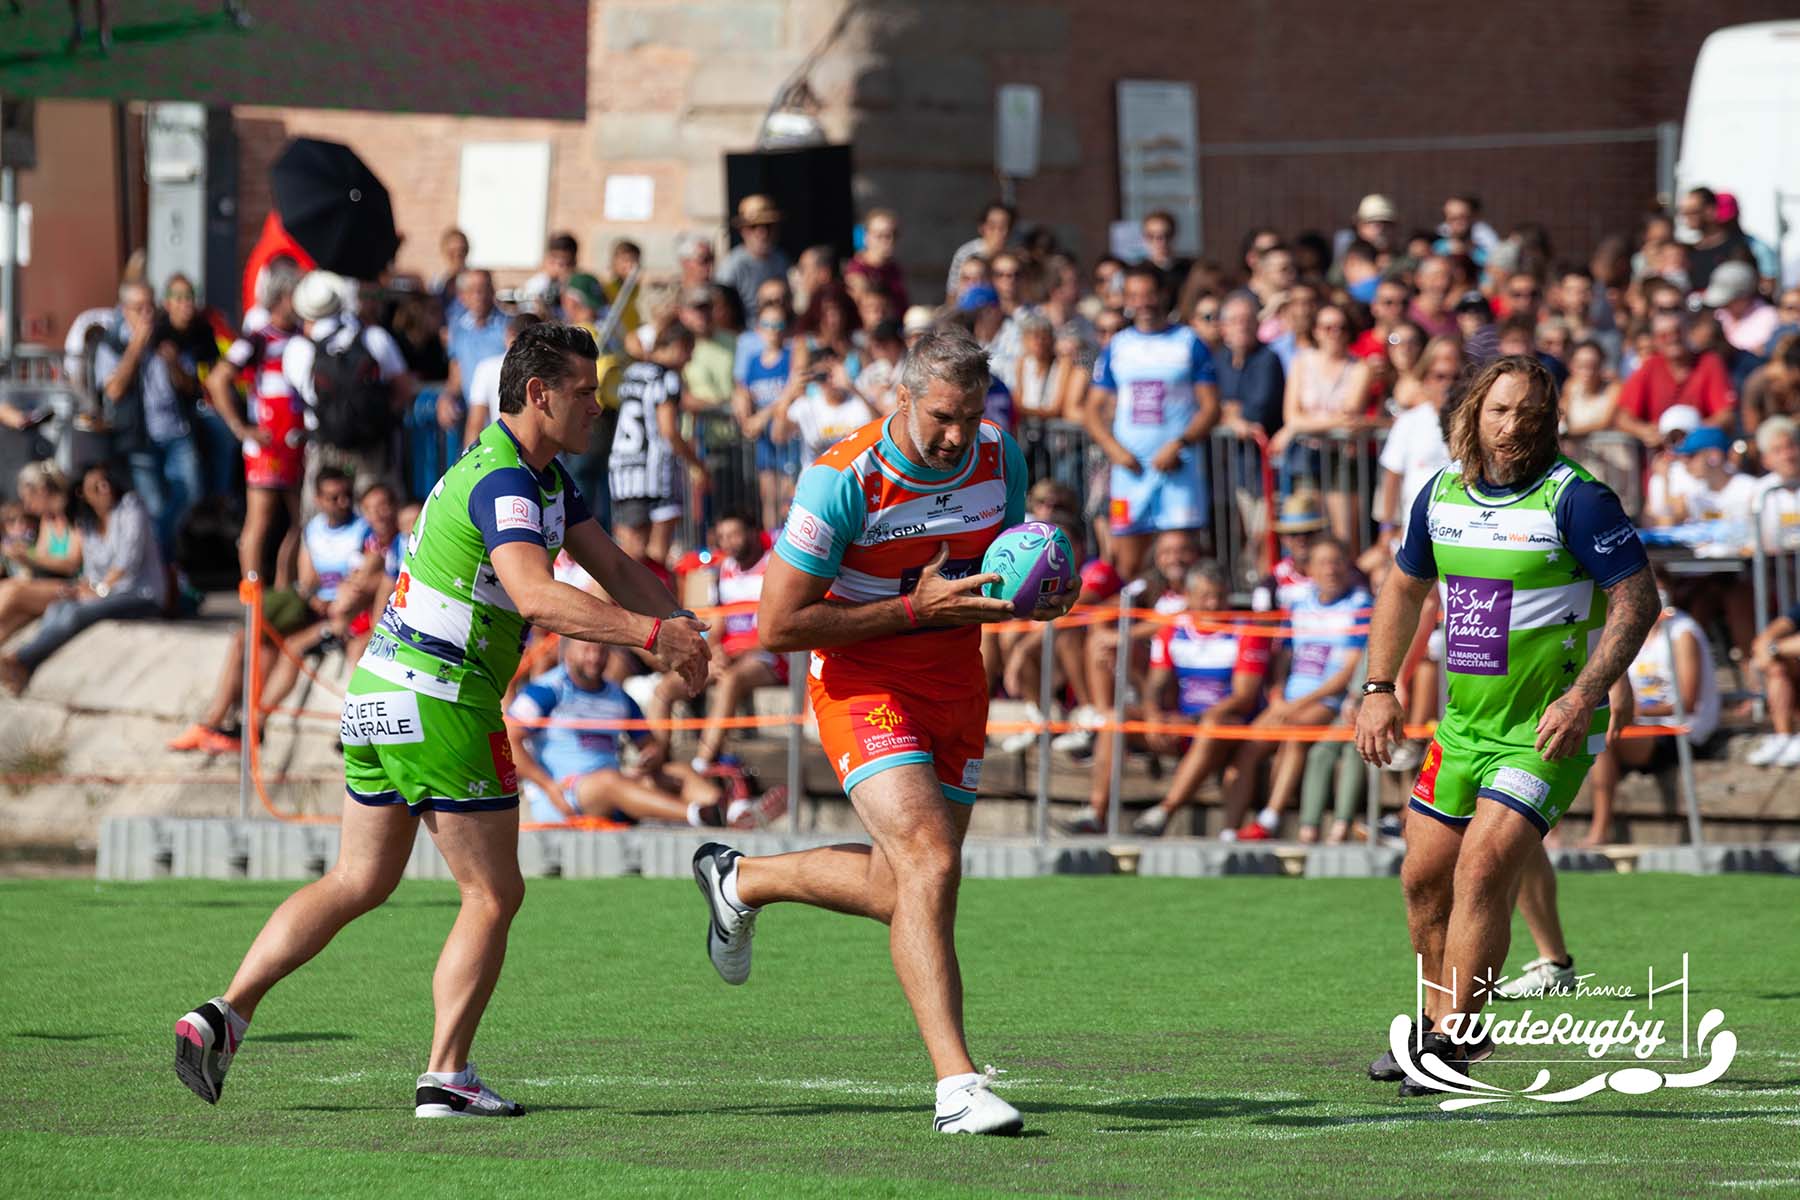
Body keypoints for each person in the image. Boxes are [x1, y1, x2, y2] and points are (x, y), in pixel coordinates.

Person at [169, 322, 710, 1118]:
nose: (598, 406)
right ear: (539, 395)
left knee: (359, 879)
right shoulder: (505, 484)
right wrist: (652, 635)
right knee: (492, 894)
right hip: (443, 698)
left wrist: (682, 632)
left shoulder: (544, 479)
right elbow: (534, 594)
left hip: (381, 689)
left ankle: (223, 1014)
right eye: (586, 392)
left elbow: (618, 566)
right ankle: (446, 1075)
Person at [690, 328, 1072, 1136]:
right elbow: (777, 625)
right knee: (930, 859)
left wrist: (1031, 597)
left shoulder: (1001, 457)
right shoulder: (840, 479)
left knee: (913, 887)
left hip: (957, 687)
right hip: (862, 681)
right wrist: (908, 611)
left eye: (971, 415)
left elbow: (997, 571)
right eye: (941, 415)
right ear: (900, 396)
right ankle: (957, 1086)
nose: (957, 435)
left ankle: (741, 881)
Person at [1357, 355, 1657, 1096]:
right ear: (1473, 415)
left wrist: (1587, 692)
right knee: (1423, 880)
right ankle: (1438, 1026)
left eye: (1528, 411)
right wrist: (1378, 686)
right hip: (1463, 727)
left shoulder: (1578, 501)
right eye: (1499, 410)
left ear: (1551, 419)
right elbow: (1403, 588)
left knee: (1484, 868)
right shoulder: (1441, 495)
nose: (1513, 424)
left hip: (1546, 729)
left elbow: (1638, 601)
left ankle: (1451, 1047)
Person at [166, 468, 376, 755]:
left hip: (346, 614)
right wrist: (315, 598)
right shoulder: (313, 530)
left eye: (346, 496)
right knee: (248, 638)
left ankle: (253, 723)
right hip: (317, 607)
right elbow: (307, 580)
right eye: (333, 497)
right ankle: (215, 720)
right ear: (318, 498)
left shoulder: (363, 530)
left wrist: (337, 602)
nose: (341, 502)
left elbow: (362, 581)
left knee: (288, 647)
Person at [1095, 561, 1273, 837]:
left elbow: (1244, 697)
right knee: (1114, 718)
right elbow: (1156, 684)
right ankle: (1096, 812)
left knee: (1213, 723)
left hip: (1225, 725)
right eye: (1205, 597)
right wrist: (1154, 714)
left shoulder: (1246, 632)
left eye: (1219, 596)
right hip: (1183, 723)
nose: (1213, 604)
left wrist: (1190, 720)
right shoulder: (1174, 630)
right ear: (1189, 598)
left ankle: (1165, 811)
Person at [1218, 537, 1369, 840]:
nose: (1331, 570)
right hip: (1288, 700)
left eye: (1337, 562)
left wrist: (1297, 705)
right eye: (1323, 563)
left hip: (1327, 700)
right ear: (1310, 569)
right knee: (1247, 747)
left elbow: (1347, 672)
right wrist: (1276, 696)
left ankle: (1269, 820)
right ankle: (1228, 832)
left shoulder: (1360, 605)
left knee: (1294, 733)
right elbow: (1282, 660)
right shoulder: (1298, 605)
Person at [508, 640, 742, 828]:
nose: (594, 657)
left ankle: (732, 811)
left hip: (613, 784)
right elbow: (510, 741)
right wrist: (548, 786)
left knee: (676, 772)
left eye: (601, 651)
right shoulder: (545, 691)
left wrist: (651, 756)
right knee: (610, 781)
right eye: (586, 650)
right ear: (567, 652)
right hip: (564, 794)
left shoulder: (618, 696)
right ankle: (697, 814)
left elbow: (650, 746)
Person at [1084, 263, 1219, 581]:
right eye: (1134, 295)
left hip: (1178, 471)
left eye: (1148, 294)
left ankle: (1180, 631)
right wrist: (1114, 451)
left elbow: (1211, 407)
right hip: (1130, 473)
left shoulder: (1189, 341)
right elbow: (1092, 410)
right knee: (1127, 567)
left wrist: (1180, 444)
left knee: (1180, 566)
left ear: (1163, 294)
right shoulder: (1117, 345)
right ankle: (1128, 629)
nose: (1142, 302)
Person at [0, 463, 166, 695]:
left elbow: (128, 561)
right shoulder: (88, 522)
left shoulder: (130, 507)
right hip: (107, 593)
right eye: (95, 486)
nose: (104, 488)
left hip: (140, 595)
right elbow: (91, 571)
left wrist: (98, 589)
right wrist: (85, 587)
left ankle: (21, 660)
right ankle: (26, 663)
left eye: (105, 482)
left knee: (75, 613)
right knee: (58, 608)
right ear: (83, 493)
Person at [1584, 582, 1720, 843]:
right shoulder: (1633, 633)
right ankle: (1548, 836)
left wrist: (1638, 710)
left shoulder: (1682, 633)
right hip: (1640, 726)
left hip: (1679, 728)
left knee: (1601, 739)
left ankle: (1600, 831)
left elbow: (1687, 702)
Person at [208, 261, 306, 587]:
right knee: (260, 520)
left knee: (301, 520)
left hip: (295, 439)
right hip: (265, 440)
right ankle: (252, 595)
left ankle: (281, 589)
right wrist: (240, 427)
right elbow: (218, 380)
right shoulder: (256, 339)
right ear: (281, 297)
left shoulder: (302, 337)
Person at [282, 272, 415, 504]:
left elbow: (305, 394)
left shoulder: (297, 348)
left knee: (322, 522)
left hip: (323, 446)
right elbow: (404, 389)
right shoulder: (374, 337)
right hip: (372, 446)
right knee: (377, 520)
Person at [96, 280, 203, 566]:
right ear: (123, 310)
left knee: (191, 493)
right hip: (139, 438)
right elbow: (114, 390)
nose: (146, 315)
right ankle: (165, 573)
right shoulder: (112, 343)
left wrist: (173, 363)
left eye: (150, 307)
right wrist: (134, 348)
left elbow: (191, 386)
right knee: (153, 507)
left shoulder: (167, 336)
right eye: (138, 308)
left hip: (176, 431)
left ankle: (162, 565)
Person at [1268, 303, 1374, 548]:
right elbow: (1292, 416)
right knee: (1307, 529)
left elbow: (1349, 419)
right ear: (1315, 330)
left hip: (1343, 456)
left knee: (1345, 537)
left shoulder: (1359, 367)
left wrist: (1299, 426)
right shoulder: (1302, 362)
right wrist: (1297, 425)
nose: (1334, 333)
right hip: (1307, 454)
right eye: (1327, 327)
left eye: (1340, 327)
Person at [609, 325, 705, 567]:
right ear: (678, 347)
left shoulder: (632, 372)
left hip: (622, 473)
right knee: (652, 558)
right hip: (655, 475)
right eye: (689, 351)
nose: (690, 359)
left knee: (628, 556)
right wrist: (697, 465)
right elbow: (669, 430)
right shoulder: (667, 378)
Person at [1614, 310, 1735, 443]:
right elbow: (1623, 417)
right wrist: (1643, 431)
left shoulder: (1709, 362)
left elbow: (1726, 415)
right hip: (1660, 451)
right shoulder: (1650, 367)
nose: (1673, 339)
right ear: (1654, 340)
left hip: (1703, 448)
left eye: (1677, 332)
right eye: (1664, 335)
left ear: (1687, 333)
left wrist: (1691, 433)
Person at [734, 301, 799, 532]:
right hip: (764, 441)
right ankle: (771, 544)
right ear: (759, 329)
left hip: (787, 437)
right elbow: (743, 391)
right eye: (767, 324)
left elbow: (790, 392)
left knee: (785, 495)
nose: (773, 329)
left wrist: (762, 416)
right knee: (767, 494)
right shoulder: (753, 362)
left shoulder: (790, 357)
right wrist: (744, 413)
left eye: (778, 324)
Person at [0, 463, 82, 645]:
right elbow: (41, 557)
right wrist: (20, 555)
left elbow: (71, 564)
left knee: (12, 590)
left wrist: (27, 555)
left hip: (76, 587)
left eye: (28, 499)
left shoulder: (75, 515)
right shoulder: (48, 519)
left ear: (42, 490)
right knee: (10, 621)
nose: (27, 508)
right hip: (51, 585)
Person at [774, 347, 877, 463]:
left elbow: (879, 430)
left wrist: (852, 387)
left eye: (832, 373)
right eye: (822, 376)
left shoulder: (858, 403)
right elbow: (779, 436)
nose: (829, 380)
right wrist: (789, 392)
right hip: (815, 477)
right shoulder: (805, 406)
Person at [462, 313, 543, 446]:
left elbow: (475, 424)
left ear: (508, 334)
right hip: (547, 457)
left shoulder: (486, 368)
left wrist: (468, 460)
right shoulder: (552, 370)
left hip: (504, 452)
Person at [720, 195, 791, 313]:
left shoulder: (781, 259)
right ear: (742, 230)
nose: (762, 233)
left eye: (768, 226)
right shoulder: (732, 266)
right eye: (753, 227)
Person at [945, 202, 1015, 304]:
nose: (1000, 233)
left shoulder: (1015, 255)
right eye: (993, 227)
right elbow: (952, 293)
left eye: (1005, 227)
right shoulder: (966, 254)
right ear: (982, 228)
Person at [847, 208, 908, 312]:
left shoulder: (893, 268)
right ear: (866, 237)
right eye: (880, 236)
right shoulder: (857, 272)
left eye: (893, 235)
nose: (888, 241)